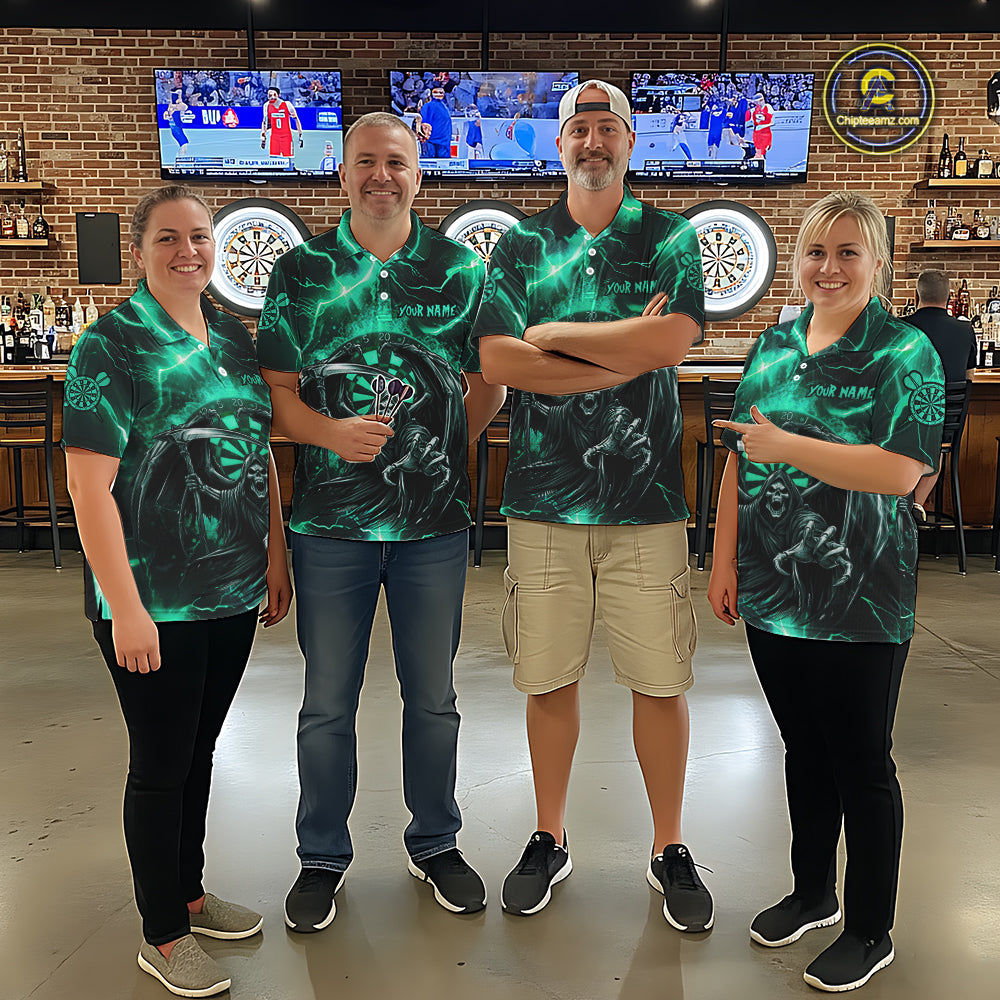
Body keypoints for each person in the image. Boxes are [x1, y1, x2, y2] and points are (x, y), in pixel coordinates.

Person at [257, 112, 505, 932]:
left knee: (432, 698)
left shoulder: (461, 271)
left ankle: (436, 841)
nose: (380, 175)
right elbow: (277, 395)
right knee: (327, 702)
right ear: (341, 174)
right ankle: (321, 855)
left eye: (396, 161)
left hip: (434, 529)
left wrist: (438, 454)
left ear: (418, 175)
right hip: (329, 528)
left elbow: (489, 381)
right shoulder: (300, 271)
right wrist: (330, 435)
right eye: (365, 161)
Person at [474, 80, 713, 930]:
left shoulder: (670, 236)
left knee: (660, 680)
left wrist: (553, 336)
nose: (593, 140)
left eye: (608, 126)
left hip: (647, 502)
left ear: (630, 143)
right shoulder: (520, 245)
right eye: (579, 127)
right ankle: (550, 834)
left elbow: (673, 339)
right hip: (543, 501)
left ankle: (669, 845)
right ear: (560, 144)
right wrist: (620, 355)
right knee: (548, 678)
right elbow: (497, 361)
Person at [708, 192, 945, 993]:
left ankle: (869, 928)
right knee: (803, 750)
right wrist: (723, 559)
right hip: (774, 591)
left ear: (879, 264)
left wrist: (790, 447)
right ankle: (812, 892)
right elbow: (741, 458)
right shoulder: (773, 346)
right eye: (816, 251)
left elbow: (900, 470)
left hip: (863, 597)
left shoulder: (906, 352)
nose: (830, 268)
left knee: (861, 762)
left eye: (848, 252)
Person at [62, 185, 293, 998]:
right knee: (160, 764)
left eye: (199, 237)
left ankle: (189, 893)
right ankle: (162, 933)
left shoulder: (231, 339)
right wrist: (125, 606)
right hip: (152, 600)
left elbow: (257, 449)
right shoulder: (111, 346)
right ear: (139, 251)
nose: (187, 251)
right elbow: (89, 489)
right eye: (168, 238)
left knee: (200, 751)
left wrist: (274, 554)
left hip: (230, 590)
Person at [903, 269, 977, 520]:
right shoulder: (965, 330)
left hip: (904, 425)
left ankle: (898, 504)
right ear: (949, 297)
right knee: (935, 438)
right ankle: (917, 503)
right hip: (945, 427)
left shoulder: (901, 328)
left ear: (916, 295)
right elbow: (969, 377)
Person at [261, 86, 302, 159]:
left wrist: (300, 134)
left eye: (274, 95)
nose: (272, 97)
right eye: (270, 95)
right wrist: (263, 136)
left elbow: (296, 119)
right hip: (274, 136)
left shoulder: (287, 104)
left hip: (286, 136)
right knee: (274, 158)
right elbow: (264, 121)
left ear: (278, 95)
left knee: (288, 157)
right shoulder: (266, 105)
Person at [417, 85, 453, 158]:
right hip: (444, 140)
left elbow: (423, 123)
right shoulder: (444, 107)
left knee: (428, 162)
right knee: (444, 163)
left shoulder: (427, 106)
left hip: (431, 141)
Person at [745, 92, 774, 163]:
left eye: (757, 102)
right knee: (756, 150)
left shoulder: (768, 107)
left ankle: (762, 164)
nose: (756, 104)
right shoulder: (755, 109)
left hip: (765, 132)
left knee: (763, 150)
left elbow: (771, 121)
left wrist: (762, 126)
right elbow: (749, 119)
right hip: (756, 133)